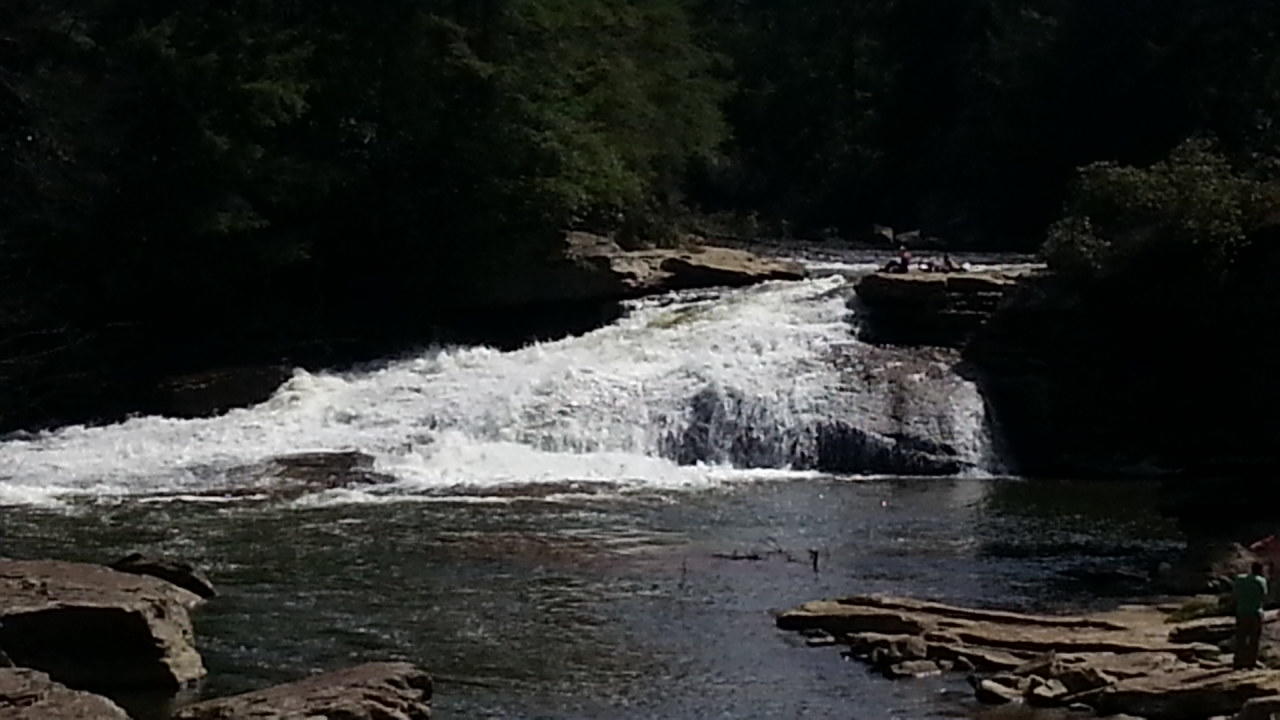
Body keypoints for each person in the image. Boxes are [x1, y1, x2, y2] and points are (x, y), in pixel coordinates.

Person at [1234, 562, 1269, 669]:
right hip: (1255, 612)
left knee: (1241, 637)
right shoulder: (1261, 581)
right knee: (1254, 638)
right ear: (1260, 570)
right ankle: (1251, 661)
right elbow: (1264, 595)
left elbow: (1235, 593)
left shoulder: (1240, 579)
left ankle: (1238, 661)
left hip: (1241, 611)